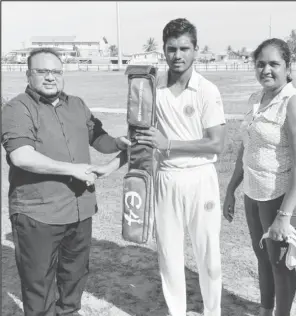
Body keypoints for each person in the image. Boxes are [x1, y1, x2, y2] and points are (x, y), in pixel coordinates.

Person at [92, 18, 226, 316]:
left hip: (200, 177)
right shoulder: (152, 90)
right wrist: (112, 164)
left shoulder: (206, 90)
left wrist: (168, 144)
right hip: (165, 178)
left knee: (209, 255)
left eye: (184, 48)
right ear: (163, 50)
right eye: (172, 49)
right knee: (168, 254)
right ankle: (176, 311)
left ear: (196, 50)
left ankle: (212, 311)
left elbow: (217, 144)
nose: (178, 55)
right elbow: (140, 139)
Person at [1, 47, 131, 316]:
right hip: (38, 214)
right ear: (28, 75)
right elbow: (21, 156)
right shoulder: (17, 108)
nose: (51, 77)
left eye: (56, 71)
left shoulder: (77, 105)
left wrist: (117, 143)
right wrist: (72, 169)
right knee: (39, 286)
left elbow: (99, 139)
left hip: (80, 210)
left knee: (74, 278)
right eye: (43, 71)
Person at [222, 38, 296, 316]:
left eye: (274, 64)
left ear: (288, 67)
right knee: (262, 256)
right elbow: (246, 147)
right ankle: (265, 309)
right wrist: (231, 189)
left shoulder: (295, 103)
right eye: (260, 64)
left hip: (283, 194)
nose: (266, 70)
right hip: (253, 190)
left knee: (280, 261)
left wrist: (284, 215)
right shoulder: (256, 100)